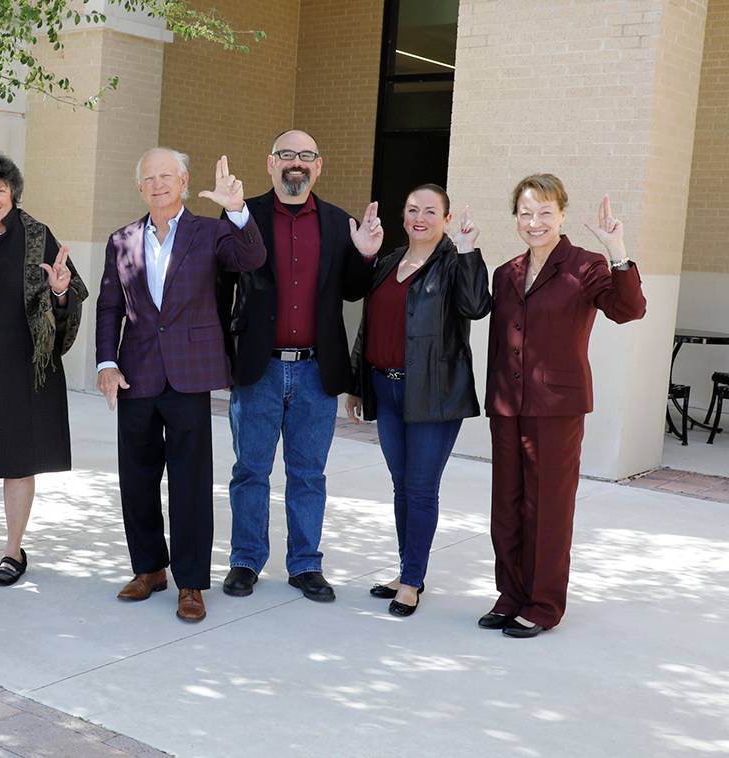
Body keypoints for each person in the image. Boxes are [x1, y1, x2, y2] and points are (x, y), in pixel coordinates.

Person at [96, 148, 267, 622]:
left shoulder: (211, 232)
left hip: (189, 373)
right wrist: (106, 362)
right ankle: (149, 568)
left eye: (166, 176)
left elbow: (252, 257)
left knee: (190, 482)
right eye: (148, 178)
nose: (157, 184)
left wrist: (236, 209)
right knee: (137, 477)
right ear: (139, 187)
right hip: (136, 372)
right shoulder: (122, 239)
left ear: (185, 180)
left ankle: (191, 583)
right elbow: (110, 307)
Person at [220, 129, 383, 602]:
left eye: (306, 156)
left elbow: (353, 290)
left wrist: (367, 256)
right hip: (258, 369)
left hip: (316, 370)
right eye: (287, 155)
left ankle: (305, 564)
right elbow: (221, 287)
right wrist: (223, 359)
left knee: (308, 473)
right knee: (250, 470)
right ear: (271, 162)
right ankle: (246, 561)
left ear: (319, 165)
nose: (297, 163)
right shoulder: (241, 215)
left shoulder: (338, 223)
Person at [482, 174, 645, 638]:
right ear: (516, 216)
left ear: (562, 215)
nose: (535, 222)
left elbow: (629, 309)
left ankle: (544, 604)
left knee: (547, 507)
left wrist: (618, 250)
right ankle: (510, 595)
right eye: (526, 213)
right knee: (506, 507)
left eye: (545, 213)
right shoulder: (507, 272)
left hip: (557, 407)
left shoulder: (586, 266)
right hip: (508, 404)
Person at [346, 184, 492, 617]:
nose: (420, 217)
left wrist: (468, 252)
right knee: (401, 485)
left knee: (421, 487)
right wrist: (358, 382)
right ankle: (408, 568)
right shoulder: (390, 261)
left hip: (433, 393)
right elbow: (368, 326)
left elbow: (476, 306)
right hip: (385, 388)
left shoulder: (451, 263)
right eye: (412, 209)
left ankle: (411, 581)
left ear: (446, 219)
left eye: (431, 211)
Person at [0, 152, 88, 587]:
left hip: (26, 366)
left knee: (17, 462)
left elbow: (71, 292)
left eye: (1, 189)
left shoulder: (37, 235)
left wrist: (61, 292)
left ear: (14, 193)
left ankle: (12, 549)